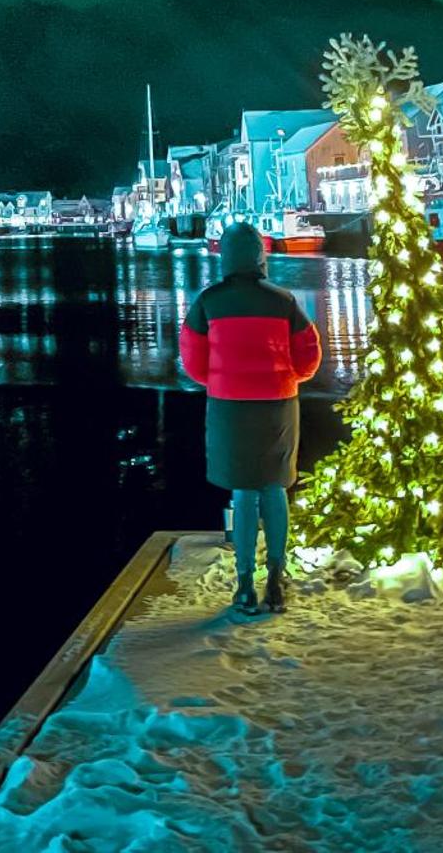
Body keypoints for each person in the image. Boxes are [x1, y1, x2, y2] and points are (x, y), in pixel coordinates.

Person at [179, 223, 322, 614]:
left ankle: (244, 584)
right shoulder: (284, 301)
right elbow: (310, 356)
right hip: (277, 403)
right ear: (261, 255)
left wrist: (220, 378)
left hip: (230, 405)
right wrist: (287, 375)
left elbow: (192, 360)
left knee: (242, 493)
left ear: (225, 256)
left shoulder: (208, 301)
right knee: (274, 488)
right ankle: (276, 579)